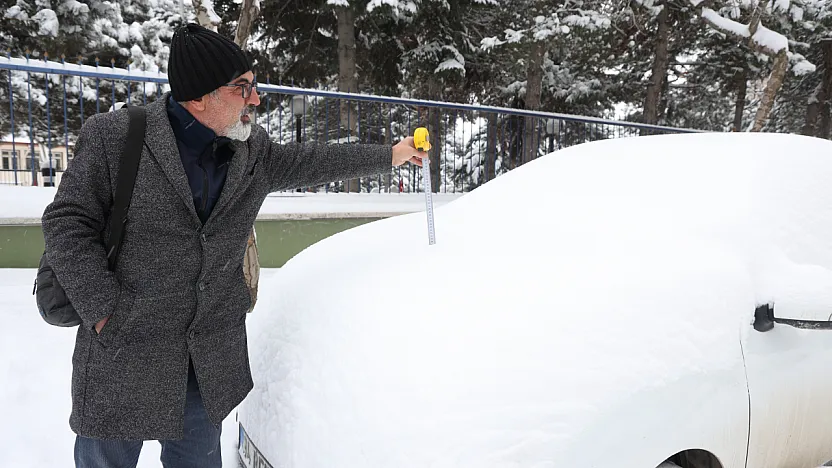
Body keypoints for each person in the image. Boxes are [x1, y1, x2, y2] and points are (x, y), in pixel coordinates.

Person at [41, 23, 428, 468]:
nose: (256, 100)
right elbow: (67, 221)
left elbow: (313, 161)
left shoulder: (251, 151)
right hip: (124, 351)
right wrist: (103, 309)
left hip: (206, 363)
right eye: (243, 89)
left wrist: (390, 155)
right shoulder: (117, 138)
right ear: (200, 95)